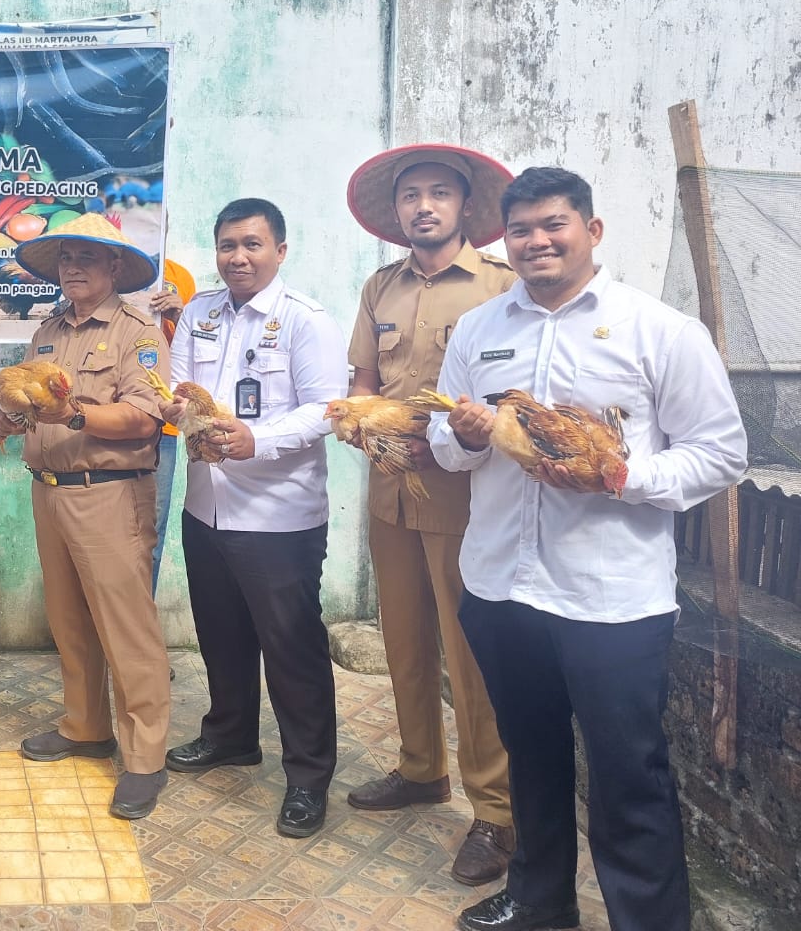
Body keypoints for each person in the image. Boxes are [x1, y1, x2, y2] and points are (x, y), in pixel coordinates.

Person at [432, 167, 746, 931]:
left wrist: (620, 475)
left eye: (553, 225)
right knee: (530, 755)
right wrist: (464, 435)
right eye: (521, 229)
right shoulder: (480, 330)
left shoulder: (660, 330)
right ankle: (541, 899)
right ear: (504, 239)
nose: (536, 241)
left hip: (611, 598)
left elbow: (721, 453)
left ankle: (647, 918)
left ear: (591, 231)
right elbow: (443, 443)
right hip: (502, 587)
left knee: (626, 771)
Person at [342, 146, 518, 885]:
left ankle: (497, 812)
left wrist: (436, 439)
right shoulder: (379, 287)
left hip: (465, 498)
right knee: (405, 639)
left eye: (438, 194)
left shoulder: (500, 287)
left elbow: (511, 399)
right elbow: (362, 381)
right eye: (411, 195)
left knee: (469, 654)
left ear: (465, 207)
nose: (423, 207)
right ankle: (420, 768)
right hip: (390, 496)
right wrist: (362, 424)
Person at [160, 198, 347, 839]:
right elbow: (178, 388)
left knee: (290, 647)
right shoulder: (201, 313)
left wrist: (254, 441)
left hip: (278, 515)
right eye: (226, 245)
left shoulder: (305, 321)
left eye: (251, 244)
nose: (237, 257)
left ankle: (308, 775)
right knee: (221, 633)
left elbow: (327, 408)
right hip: (206, 506)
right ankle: (231, 735)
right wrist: (193, 421)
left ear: (280, 251)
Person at [0, 212, 172, 820]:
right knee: (69, 622)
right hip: (48, 489)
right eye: (66, 256)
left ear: (114, 267)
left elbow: (147, 418)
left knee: (126, 628)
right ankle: (86, 726)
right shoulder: (47, 328)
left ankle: (145, 757)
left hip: (110, 493)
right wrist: (8, 415)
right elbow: (25, 399)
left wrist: (71, 417)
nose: (73, 267)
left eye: (87, 257)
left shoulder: (136, 332)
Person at [147, 257, 196, 595]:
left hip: (161, 426)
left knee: (151, 528)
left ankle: (136, 632)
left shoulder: (178, 277)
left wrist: (178, 317)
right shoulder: (104, 266)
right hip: (105, 419)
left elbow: (194, 352)